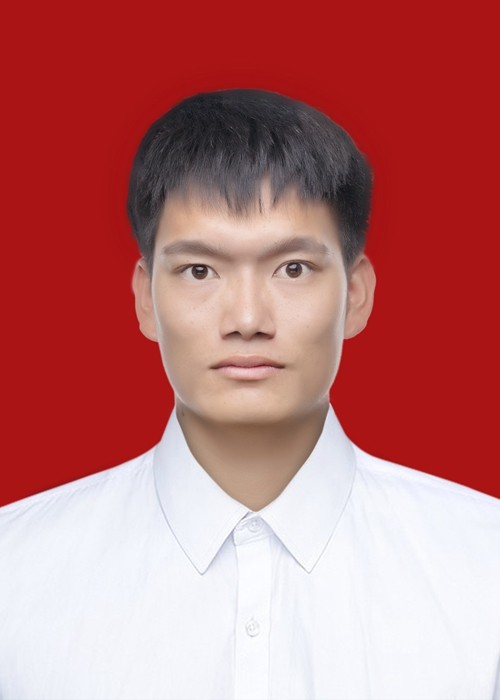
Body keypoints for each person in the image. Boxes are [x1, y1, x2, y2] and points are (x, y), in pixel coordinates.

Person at [0, 89, 498, 700]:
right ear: (145, 299)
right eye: (199, 271)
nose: (246, 319)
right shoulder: (14, 572)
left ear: (356, 295)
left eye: (293, 268)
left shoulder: (485, 568)